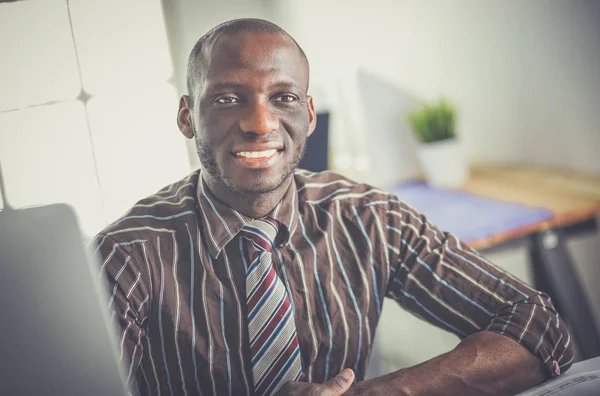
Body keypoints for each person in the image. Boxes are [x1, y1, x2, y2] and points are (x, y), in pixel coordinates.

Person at [93, 18, 572, 396]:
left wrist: (377, 393)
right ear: (186, 117)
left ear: (308, 113)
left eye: (282, 98)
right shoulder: (126, 256)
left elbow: (540, 325)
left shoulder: (371, 218)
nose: (260, 123)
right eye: (226, 98)